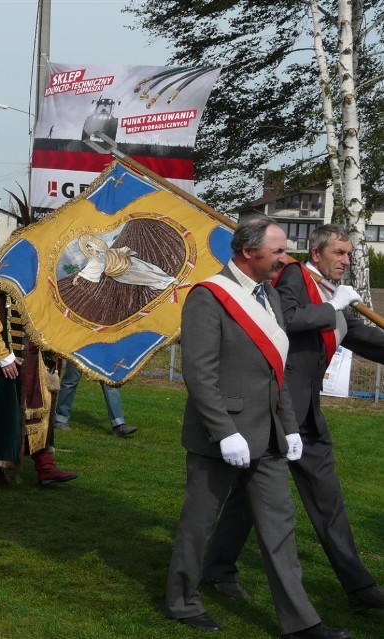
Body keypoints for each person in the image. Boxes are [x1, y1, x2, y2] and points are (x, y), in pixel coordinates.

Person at [165, 217, 350, 639]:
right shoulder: (209, 297)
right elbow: (199, 373)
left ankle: (301, 622)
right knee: (199, 522)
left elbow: (276, 371)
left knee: (280, 527)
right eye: (279, 251)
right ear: (250, 253)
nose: (286, 259)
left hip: (268, 435)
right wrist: (223, 430)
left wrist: (290, 428)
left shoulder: (268, 294)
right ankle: (181, 601)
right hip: (222, 436)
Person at [204, 223, 384, 613]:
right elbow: (283, 317)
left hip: (306, 415)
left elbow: (355, 334)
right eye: (338, 252)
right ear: (316, 253)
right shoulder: (291, 276)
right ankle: (216, 569)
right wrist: (330, 308)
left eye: (349, 253)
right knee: (254, 497)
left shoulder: (328, 293)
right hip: (277, 411)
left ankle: (358, 588)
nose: (346, 260)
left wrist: (334, 309)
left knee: (321, 500)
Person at [0, 281, 78, 486]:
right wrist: (3, 356)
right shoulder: (2, 287)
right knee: (5, 415)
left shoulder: (45, 289)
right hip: (11, 363)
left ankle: (45, 467)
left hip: (38, 362)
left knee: (41, 412)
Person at [54, 360, 136, 437]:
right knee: (71, 379)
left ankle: (119, 425)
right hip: (77, 346)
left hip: (101, 347)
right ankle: (60, 419)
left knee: (110, 381)